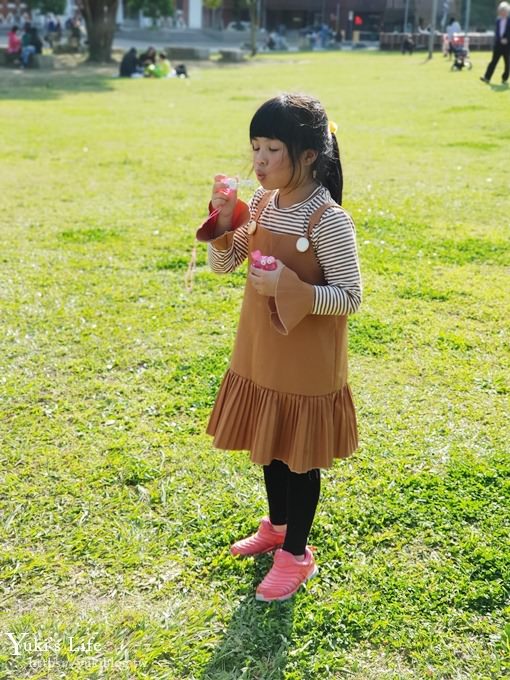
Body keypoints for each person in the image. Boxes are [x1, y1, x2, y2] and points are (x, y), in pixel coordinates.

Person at [195, 94, 362, 603]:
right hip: (263, 352)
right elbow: (226, 266)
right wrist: (223, 226)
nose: (259, 161)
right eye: (255, 148)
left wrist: (293, 289)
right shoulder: (266, 204)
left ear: (309, 155)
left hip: (307, 364)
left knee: (299, 458)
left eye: (272, 149)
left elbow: (350, 296)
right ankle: (278, 526)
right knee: (270, 446)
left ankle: (296, 553)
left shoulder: (327, 220)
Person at [480, 1, 510, 84]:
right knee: (493, 61)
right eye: (501, 11)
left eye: (504, 11)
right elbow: (497, 32)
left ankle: (505, 78)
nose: (502, 12)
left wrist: (507, 39)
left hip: (507, 45)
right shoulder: (498, 20)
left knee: (507, 63)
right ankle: (487, 77)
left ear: (507, 12)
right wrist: (499, 39)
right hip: (498, 44)